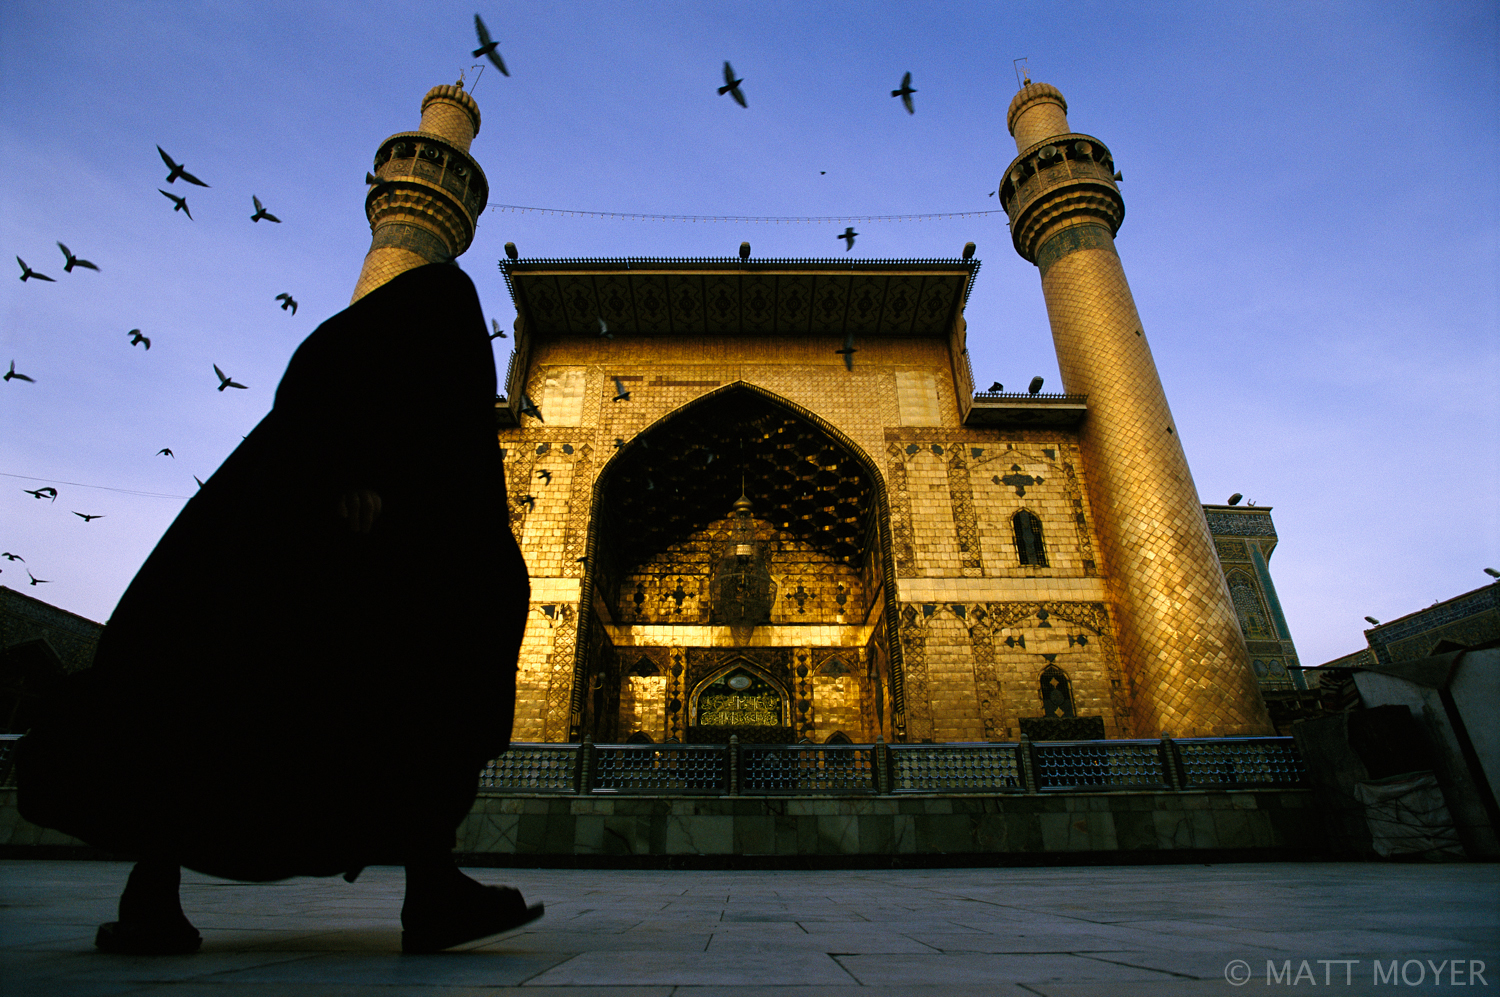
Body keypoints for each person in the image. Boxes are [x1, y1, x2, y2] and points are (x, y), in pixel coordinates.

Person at [18, 262, 540, 954]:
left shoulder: (422, 451)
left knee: (405, 713)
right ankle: (155, 897)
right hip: (289, 597)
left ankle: (431, 886)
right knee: (210, 708)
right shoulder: (340, 430)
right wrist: (344, 466)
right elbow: (322, 373)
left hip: (367, 610)